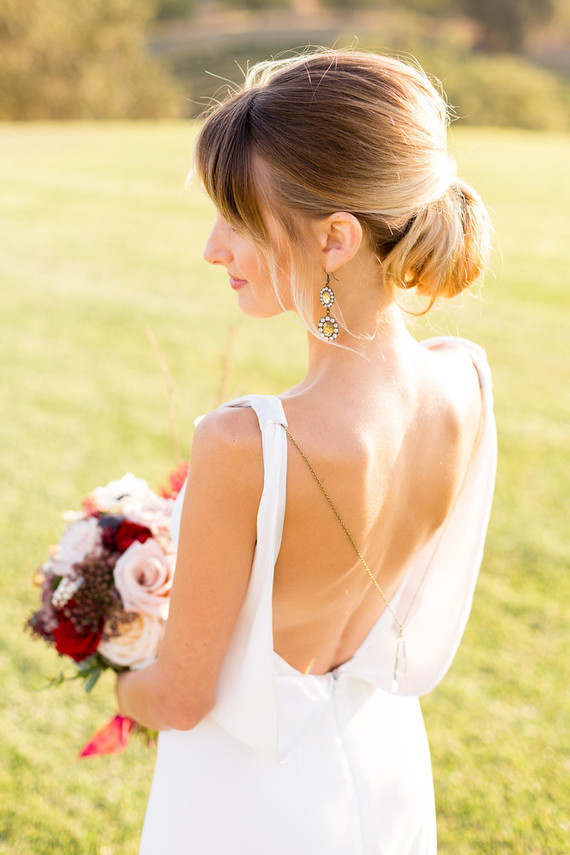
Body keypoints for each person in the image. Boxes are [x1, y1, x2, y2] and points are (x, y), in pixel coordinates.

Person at [116, 50, 497, 854]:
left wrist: (119, 671)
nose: (214, 249)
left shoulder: (244, 442)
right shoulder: (465, 381)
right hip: (382, 766)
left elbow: (183, 698)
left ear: (334, 239)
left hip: (247, 803)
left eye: (240, 219)